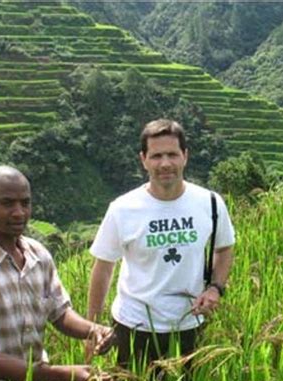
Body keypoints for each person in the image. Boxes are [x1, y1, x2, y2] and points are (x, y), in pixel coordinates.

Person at [88, 119, 235, 367]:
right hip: (134, 326)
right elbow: (103, 267)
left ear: (185, 156)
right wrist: (91, 328)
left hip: (191, 324)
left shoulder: (210, 202)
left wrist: (215, 288)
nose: (165, 164)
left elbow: (224, 247)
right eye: (156, 156)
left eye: (172, 155)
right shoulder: (123, 208)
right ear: (143, 159)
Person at [0, 166, 113, 381]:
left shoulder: (37, 254)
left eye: (25, 203)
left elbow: (60, 313)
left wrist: (94, 330)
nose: (19, 212)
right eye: (7, 203)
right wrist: (61, 375)